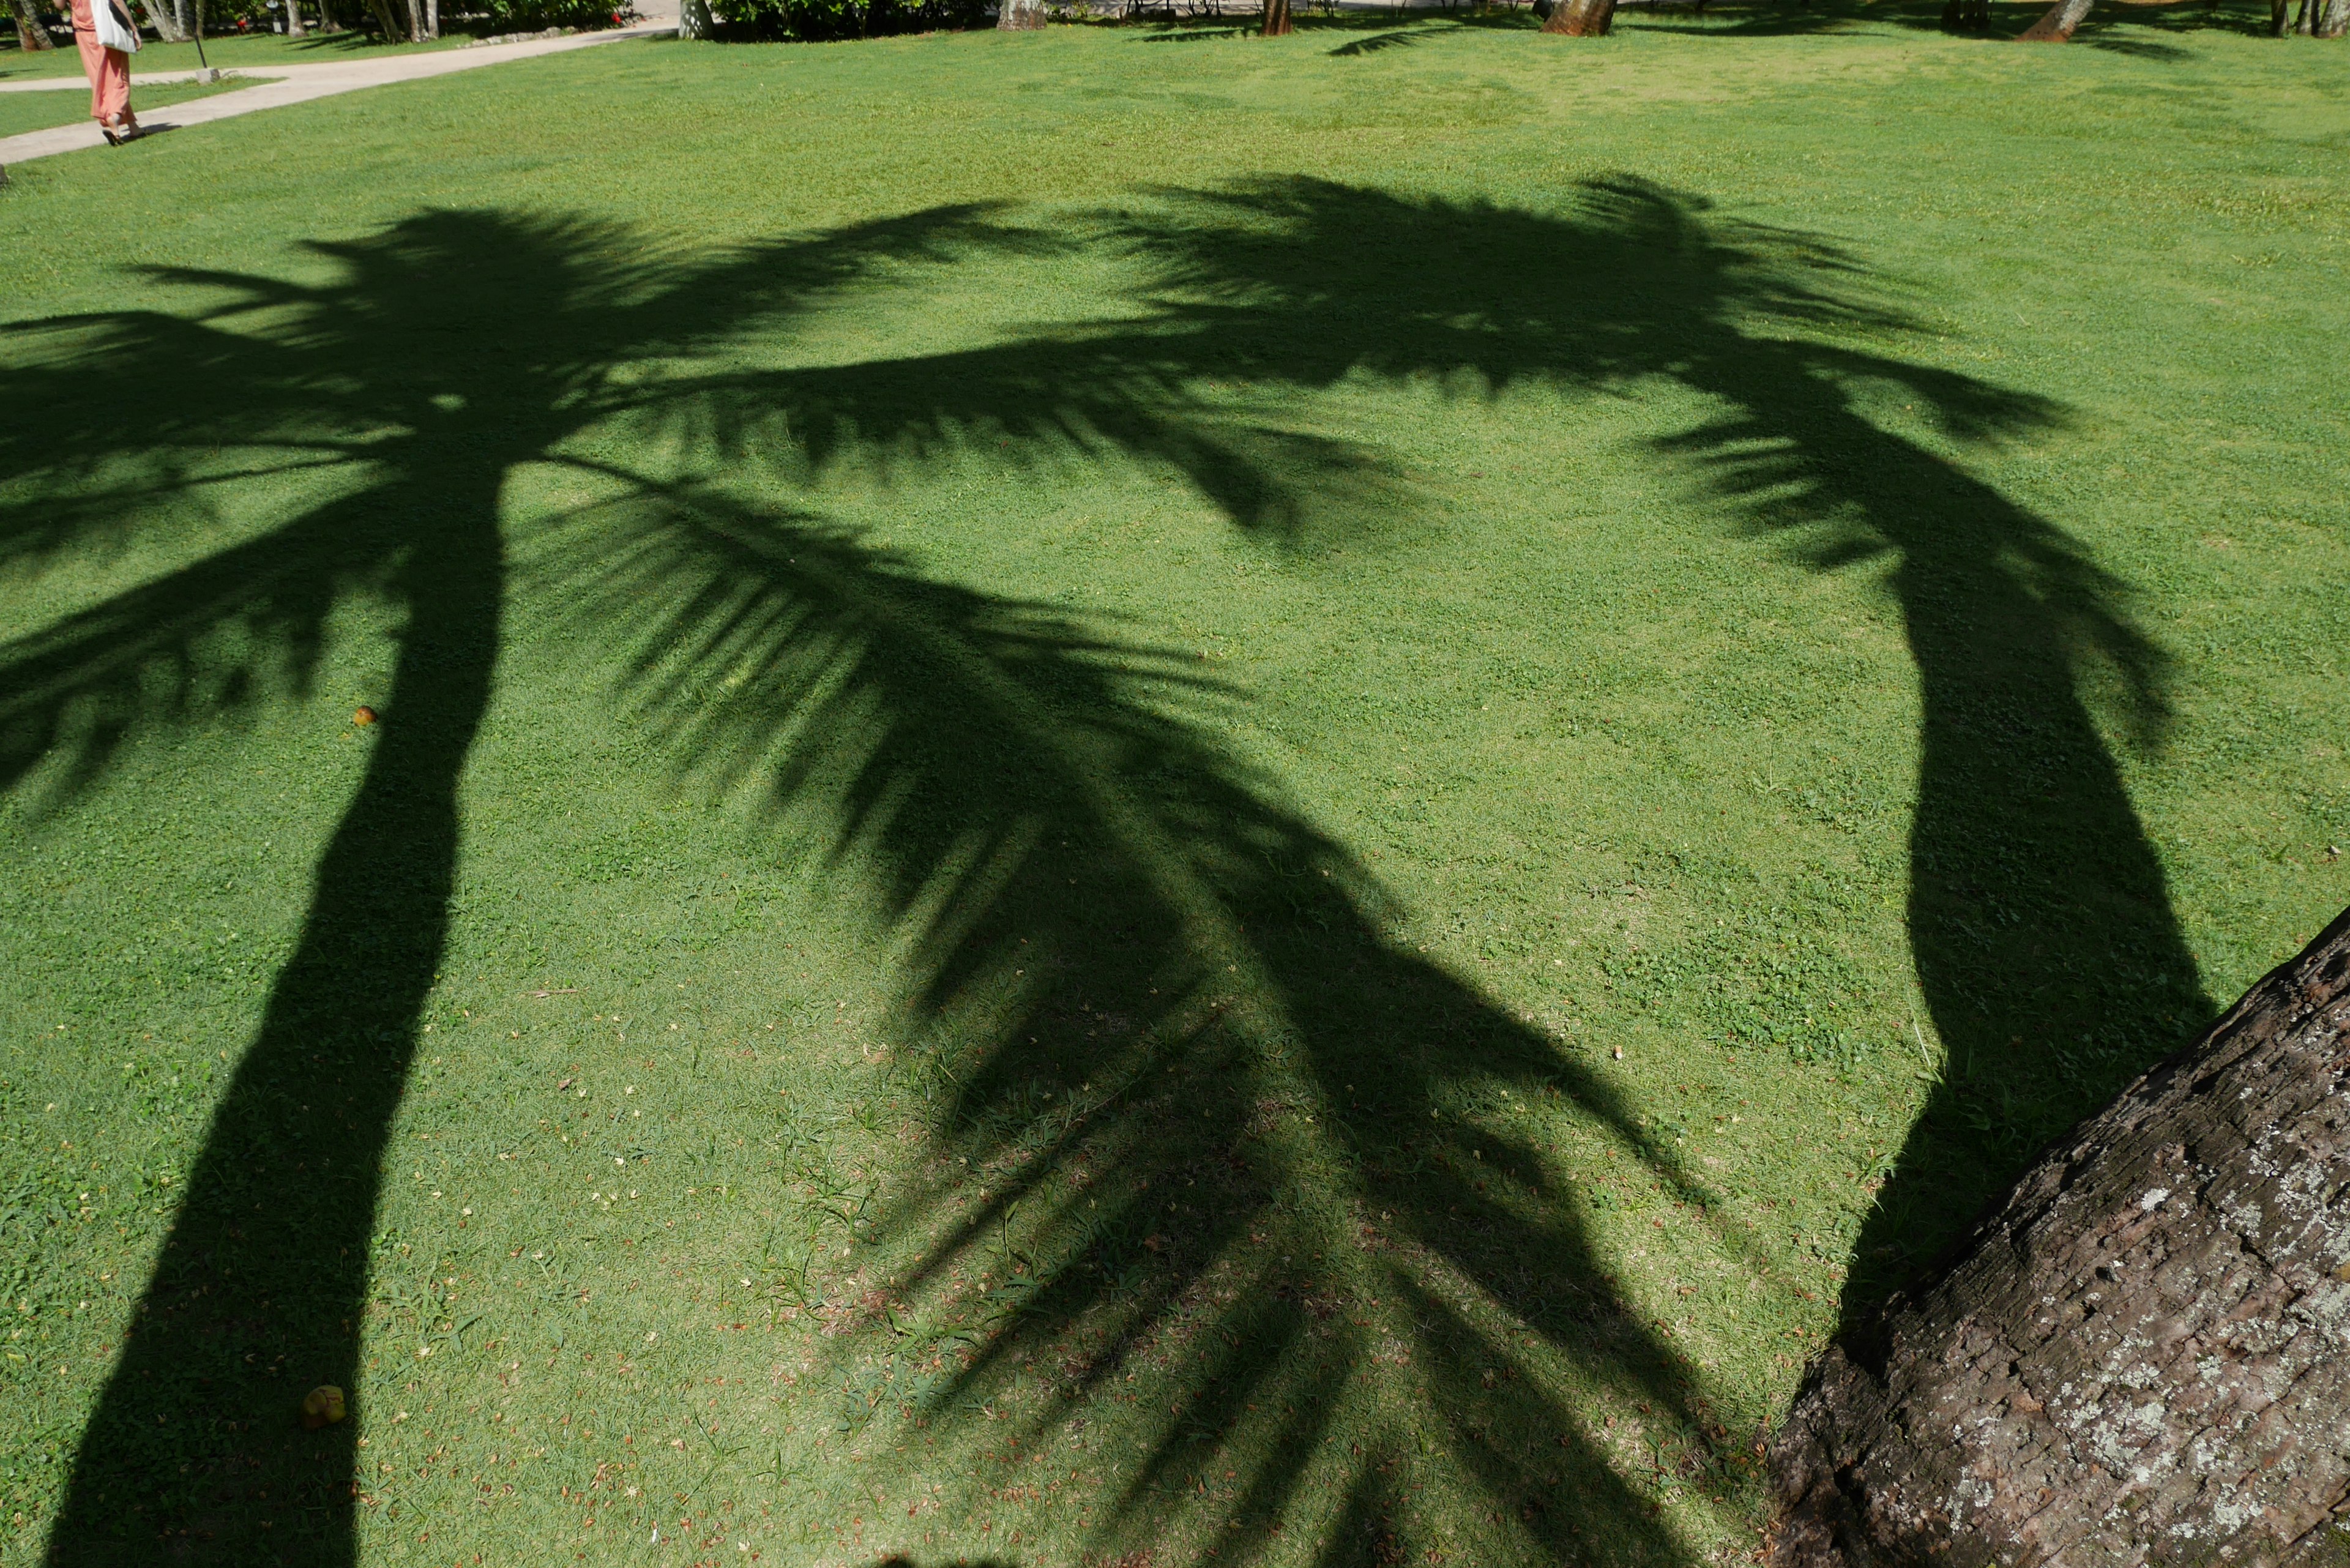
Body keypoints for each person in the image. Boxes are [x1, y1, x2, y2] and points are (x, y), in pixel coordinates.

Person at [69, 0, 142, 145]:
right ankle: (114, 117)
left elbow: (59, 5)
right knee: (119, 77)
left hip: (83, 35)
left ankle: (134, 128)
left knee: (102, 81)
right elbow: (119, 3)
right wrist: (134, 29)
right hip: (106, 31)